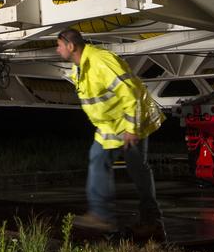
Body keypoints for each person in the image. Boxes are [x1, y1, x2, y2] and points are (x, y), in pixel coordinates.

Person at [55, 28, 164, 238]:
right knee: (99, 159)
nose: (57, 50)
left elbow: (129, 91)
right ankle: (102, 215)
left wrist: (132, 128)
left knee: (137, 169)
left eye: (59, 45)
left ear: (71, 46)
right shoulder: (80, 67)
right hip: (110, 127)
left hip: (129, 123)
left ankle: (149, 220)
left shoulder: (100, 61)